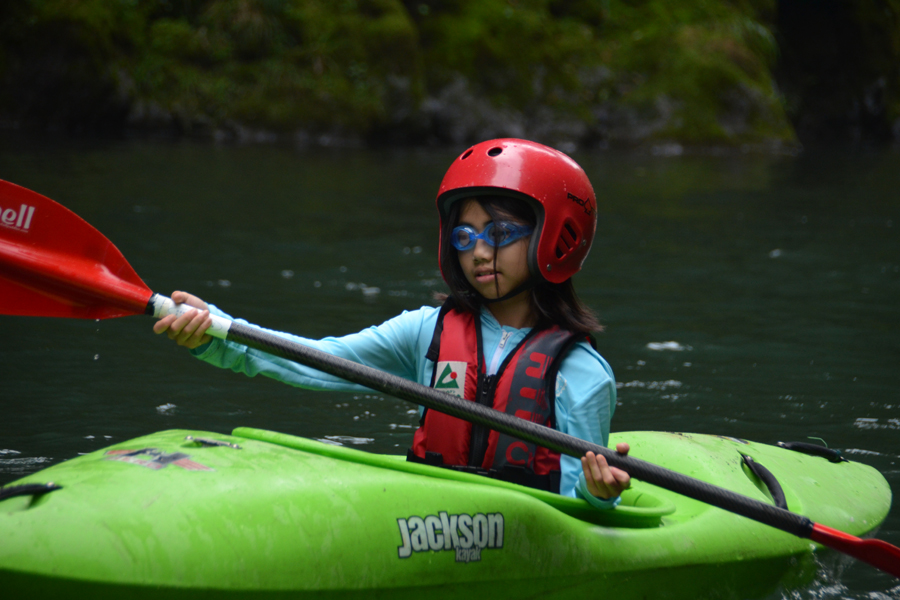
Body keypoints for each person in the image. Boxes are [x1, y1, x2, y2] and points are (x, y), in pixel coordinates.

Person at [153, 138, 630, 508]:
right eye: (465, 236)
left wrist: (599, 495)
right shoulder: (426, 331)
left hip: (525, 537)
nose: (480, 252)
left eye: (500, 233)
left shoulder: (582, 374)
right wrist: (218, 332)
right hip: (429, 520)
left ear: (553, 237)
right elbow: (317, 361)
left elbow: (581, 509)